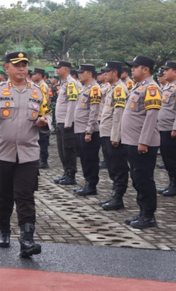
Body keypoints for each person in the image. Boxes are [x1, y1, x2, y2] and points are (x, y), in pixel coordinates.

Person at [0, 52, 50, 257]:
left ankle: (27, 239)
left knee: (25, 195)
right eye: (17, 65)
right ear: (7, 68)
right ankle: (3, 230)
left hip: (29, 152)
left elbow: (47, 115)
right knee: (5, 194)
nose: (22, 68)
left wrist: (44, 122)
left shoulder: (38, 91)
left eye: (24, 65)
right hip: (3, 152)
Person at [121, 55, 161, 229]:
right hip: (133, 141)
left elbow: (151, 118)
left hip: (142, 143)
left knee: (144, 179)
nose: (132, 69)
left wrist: (143, 141)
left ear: (146, 69)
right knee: (137, 178)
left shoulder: (152, 88)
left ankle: (149, 216)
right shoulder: (139, 87)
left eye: (135, 67)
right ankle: (142, 211)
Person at [98, 61, 129, 210]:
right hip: (106, 132)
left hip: (112, 134)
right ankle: (114, 194)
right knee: (111, 166)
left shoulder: (119, 90)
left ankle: (118, 197)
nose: (104, 74)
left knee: (118, 167)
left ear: (115, 72)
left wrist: (116, 136)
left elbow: (118, 115)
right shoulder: (112, 88)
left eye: (107, 72)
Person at [73, 64, 102, 196]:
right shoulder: (85, 88)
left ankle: (91, 185)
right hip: (80, 129)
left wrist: (89, 131)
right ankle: (87, 183)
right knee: (84, 159)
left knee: (90, 159)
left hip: (88, 131)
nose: (79, 75)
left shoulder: (95, 89)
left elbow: (94, 112)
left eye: (82, 72)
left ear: (89, 74)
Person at [53, 61, 79, 185]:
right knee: (61, 148)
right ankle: (66, 172)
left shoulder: (71, 83)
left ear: (65, 69)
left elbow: (72, 103)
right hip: (60, 121)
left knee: (68, 149)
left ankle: (71, 174)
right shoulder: (63, 83)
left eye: (58, 68)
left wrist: (68, 122)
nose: (56, 70)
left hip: (67, 122)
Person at [157, 61, 176, 197]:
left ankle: (175, 185)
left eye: (167, 69)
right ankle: (171, 182)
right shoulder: (166, 87)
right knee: (166, 157)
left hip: (171, 129)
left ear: (174, 71)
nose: (164, 72)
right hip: (162, 127)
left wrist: (175, 128)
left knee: (172, 158)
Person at [31, 67, 51, 169]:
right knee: (39, 139)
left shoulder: (43, 86)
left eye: (35, 74)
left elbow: (44, 101)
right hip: (39, 113)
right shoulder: (39, 85)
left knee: (43, 139)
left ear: (40, 75)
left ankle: (44, 161)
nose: (33, 76)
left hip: (42, 114)